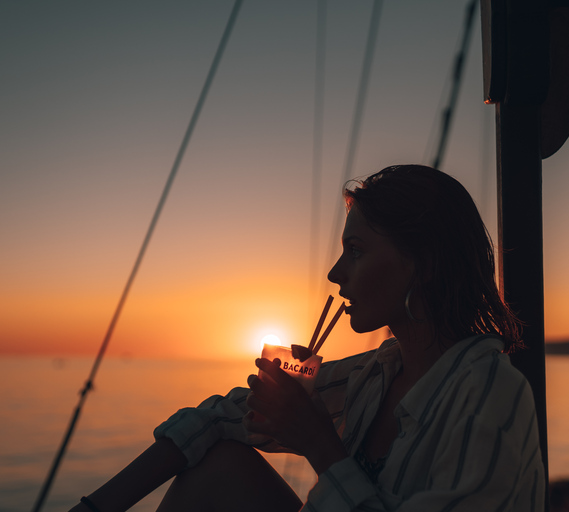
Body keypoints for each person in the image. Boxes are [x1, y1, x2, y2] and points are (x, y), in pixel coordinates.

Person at [69, 164, 544, 512]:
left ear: (424, 264)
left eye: (355, 251)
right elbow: (216, 418)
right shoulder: (376, 374)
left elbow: (319, 447)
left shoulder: (489, 396)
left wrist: (318, 442)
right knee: (224, 464)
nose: (336, 274)